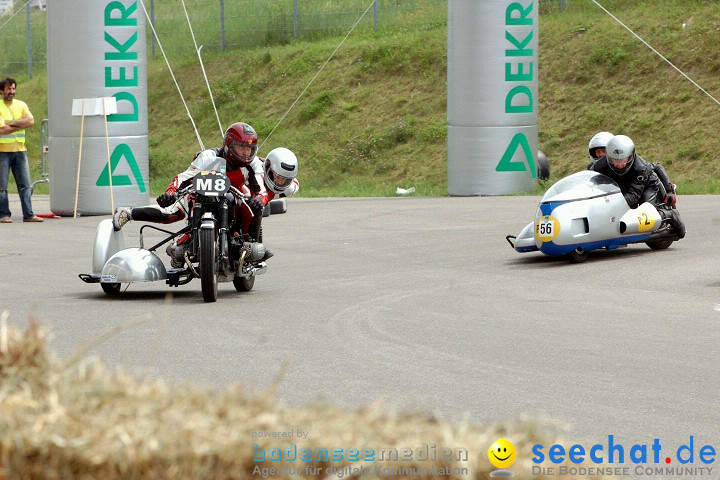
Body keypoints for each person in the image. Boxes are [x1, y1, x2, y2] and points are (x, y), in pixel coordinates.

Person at [113, 122, 272, 263]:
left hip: (233, 195)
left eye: (250, 149)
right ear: (229, 145)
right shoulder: (208, 156)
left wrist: (259, 199)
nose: (246, 153)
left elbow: (261, 189)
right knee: (171, 213)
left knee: (253, 207)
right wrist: (170, 193)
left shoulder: (254, 163)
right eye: (242, 147)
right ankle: (128, 213)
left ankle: (249, 245)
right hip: (200, 195)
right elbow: (184, 177)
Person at [588, 134, 685, 238]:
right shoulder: (598, 167)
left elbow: (633, 196)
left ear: (630, 157)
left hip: (646, 186)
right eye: (615, 161)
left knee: (644, 215)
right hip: (623, 186)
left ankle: (670, 215)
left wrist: (612, 205)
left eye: (623, 160)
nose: (619, 165)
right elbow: (590, 184)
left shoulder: (641, 168)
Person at [0, 77, 42, 223]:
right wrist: (21, 123)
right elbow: (2, 130)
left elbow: (30, 121)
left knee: (25, 185)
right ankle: (4, 215)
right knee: (2, 186)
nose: (11, 92)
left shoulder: (21, 105)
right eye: (8, 89)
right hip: (2, 152)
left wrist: (11, 123)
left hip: (20, 150)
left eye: (13, 89)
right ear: (1, 91)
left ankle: (29, 214)